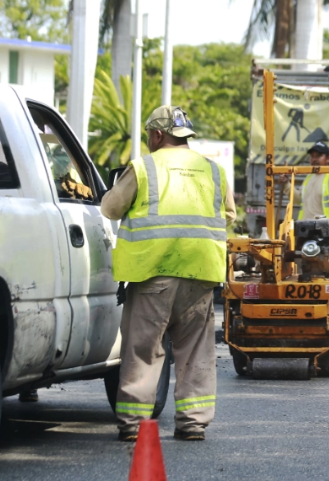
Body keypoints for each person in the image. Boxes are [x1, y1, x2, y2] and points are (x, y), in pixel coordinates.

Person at [100, 105, 237, 443]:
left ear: (158, 135)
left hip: (153, 275)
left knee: (143, 349)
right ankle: (192, 423)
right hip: (201, 274)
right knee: (195, 352)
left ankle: (133, 424)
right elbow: (229, 215)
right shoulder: (214, 171)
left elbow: (110, 208)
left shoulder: (145, 167)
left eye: (149, 135)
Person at [277, 141, 329, 230]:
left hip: (327, 232)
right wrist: (286, 184)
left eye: (318, 156)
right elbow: (298, 199)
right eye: (312, 156)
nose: (314, 159)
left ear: (328, 158)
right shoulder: (309, 177)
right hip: (305, 231)